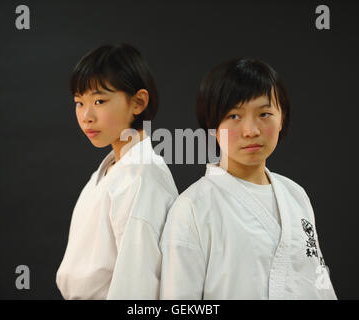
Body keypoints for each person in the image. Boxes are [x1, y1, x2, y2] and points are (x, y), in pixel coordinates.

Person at [159, 58, 337, 299]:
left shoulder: (295, 195)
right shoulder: (192, 208)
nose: (251, 130)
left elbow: (318, 283)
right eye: (234, 116)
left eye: (265, 113)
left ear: (282, 117)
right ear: (212, 125)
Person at [56, 44, 178, 299]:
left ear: (138, 102)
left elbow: (138, 282)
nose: (86, 116)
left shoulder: (142, 176)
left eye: (99, 100)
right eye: (79, 102)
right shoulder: (111, 170)